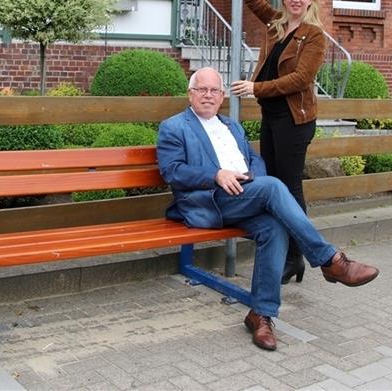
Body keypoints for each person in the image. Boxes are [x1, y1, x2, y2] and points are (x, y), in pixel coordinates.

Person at [157, 67, 378, 351]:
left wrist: (254, 181)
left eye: (214, 90)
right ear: (191, 93)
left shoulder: (232, 126)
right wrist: (216, 174)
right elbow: (172, 172)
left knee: (274, 228)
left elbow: (253, 159)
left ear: (222, 95)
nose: (208, 96)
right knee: (273, 187)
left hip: (245, 194)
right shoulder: (174, 127)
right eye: (202, 89)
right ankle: (330, 261)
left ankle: (261, 315)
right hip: (209, 201)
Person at [230, 0, 326, 286]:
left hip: (294, 121)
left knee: (289, 187)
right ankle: (285, 255)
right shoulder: (276, 24)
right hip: (272, 117)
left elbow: (300, 79)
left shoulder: (313, 35)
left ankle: (295, 257)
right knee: (272, 185)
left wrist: (256, 87)